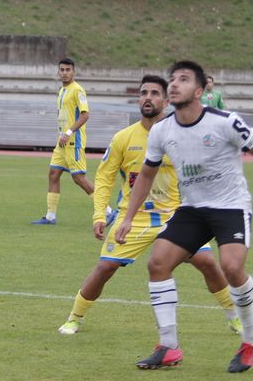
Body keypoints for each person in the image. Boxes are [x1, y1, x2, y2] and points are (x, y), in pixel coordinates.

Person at [57, 75, 239, 336]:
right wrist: (99, 214)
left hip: (177, 216)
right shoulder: (123, 138)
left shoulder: (183, 135)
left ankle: (234, 317)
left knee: (207, 262)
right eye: (144, 93)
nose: (148, 98)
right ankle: (75, 317)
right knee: (105, 267)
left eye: (155, 93)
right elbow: (105, 177)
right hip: (134, 216)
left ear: (166, 100)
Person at [115, 61, 253, 372]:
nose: (174, 84)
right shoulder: (163, 130)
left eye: (184, 79)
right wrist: (127, 217)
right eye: (173, 79)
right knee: (158, 263)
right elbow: (145, 176)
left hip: (230, 205)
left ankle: (250, 342)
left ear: (200, 91)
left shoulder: (225, 122)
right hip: (192, 209)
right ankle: (168, 346)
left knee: (231, 267)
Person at [32, 57, 98, 225]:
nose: (64, 73)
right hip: (61, 142)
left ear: (74, 72)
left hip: (73, 141)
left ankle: (107, 211)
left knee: (79, 178)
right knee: (53, 174)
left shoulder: (78, 90)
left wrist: (68, 132)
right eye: (62, 70)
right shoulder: (62, 91)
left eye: (68, 70)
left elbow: (85, 115)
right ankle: (50, 216)